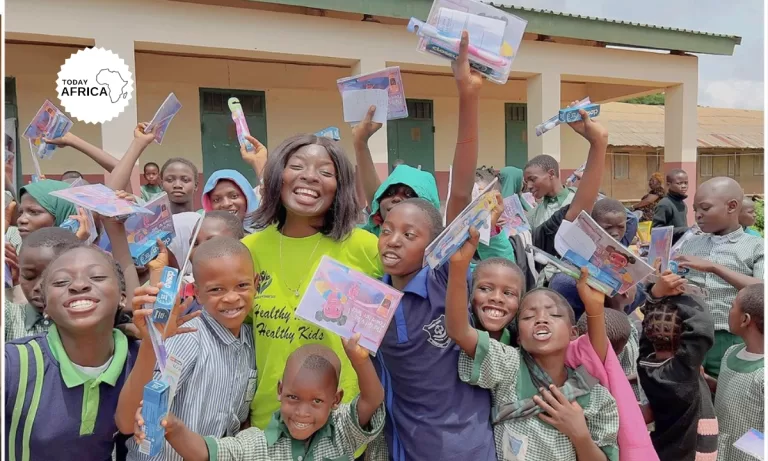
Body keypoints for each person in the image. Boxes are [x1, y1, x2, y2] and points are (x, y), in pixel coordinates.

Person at [241, 131, 381, 431]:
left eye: (325, 172)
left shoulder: (363, 247)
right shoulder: (249, 250)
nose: (310, 177)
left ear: (339, 186)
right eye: (297, 167)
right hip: (267, 424)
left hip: (340, 426)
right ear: (277, 176)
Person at [446, 233, 620, 461]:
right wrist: (458, 269)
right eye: (528, 316)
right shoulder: (509, 366)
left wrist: (580, 435)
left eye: (554, 314)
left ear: (573, 333)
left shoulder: (595, 397)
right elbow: (459, 330)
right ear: (519, 338)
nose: (541, 319)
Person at [117, 237, 255, 461]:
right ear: (197, 294)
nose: (231, 297)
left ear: (256, 283)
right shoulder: (188, 341)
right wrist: (152, 341)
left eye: (242, 285)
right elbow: (127, 421)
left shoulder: (250, 341)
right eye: (216, 289)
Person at [132, 340, 385, 461]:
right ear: (279, 390)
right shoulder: (257, 445)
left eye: (316, 401)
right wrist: (173, 427)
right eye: (293, 397)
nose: (302, 412)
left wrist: (360, 360)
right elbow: (207, 452)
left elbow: (372, 399)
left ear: (336, 400)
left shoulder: (342, 431)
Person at [5, 245, 139, 461]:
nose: (78, 285)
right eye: (61, 282)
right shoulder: (14, 364)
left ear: (122, 298)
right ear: (45, 306)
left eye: (96, 277)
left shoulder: (141, 361)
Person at [675, 177, 764, 377]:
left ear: (732, 206)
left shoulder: (755, 246)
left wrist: (714, 267)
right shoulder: (691, 244)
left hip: (730, 338)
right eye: (695, 209)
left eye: (705, 208)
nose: (698, 215)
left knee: (724, 391)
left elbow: (762, 288)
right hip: (689, 334)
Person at [638, 272, 718, 461]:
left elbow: (646, 340)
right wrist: (688, 297)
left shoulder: (645, 366)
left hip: (665, 449)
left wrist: (656, 295)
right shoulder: (683, 371)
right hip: (694, 451)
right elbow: (703, 327)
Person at [353, 107, 441, 237]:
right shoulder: (368, 240)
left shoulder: (435, 251)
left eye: (410, 194)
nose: (396, 198)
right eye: (389, 192)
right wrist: (360, 142)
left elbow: (460, 195)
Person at [714, 283, 764, 461]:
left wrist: (742, 441)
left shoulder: (763, 375)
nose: (729, 310)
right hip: (721, 452)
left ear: (745, 319)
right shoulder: (731, 352)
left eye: (733, 305)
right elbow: (736, 394)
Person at [4, 227, 79, 340]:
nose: (39, 287)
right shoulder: (9, 314)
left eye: (57, 279)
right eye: (29, 277)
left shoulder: (91, 320)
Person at [523, 154, 575, 228]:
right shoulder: (534, 215)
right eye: (526, 182)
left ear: (551, 174)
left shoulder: (576, 201)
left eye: (532, 179)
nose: (529, 186)